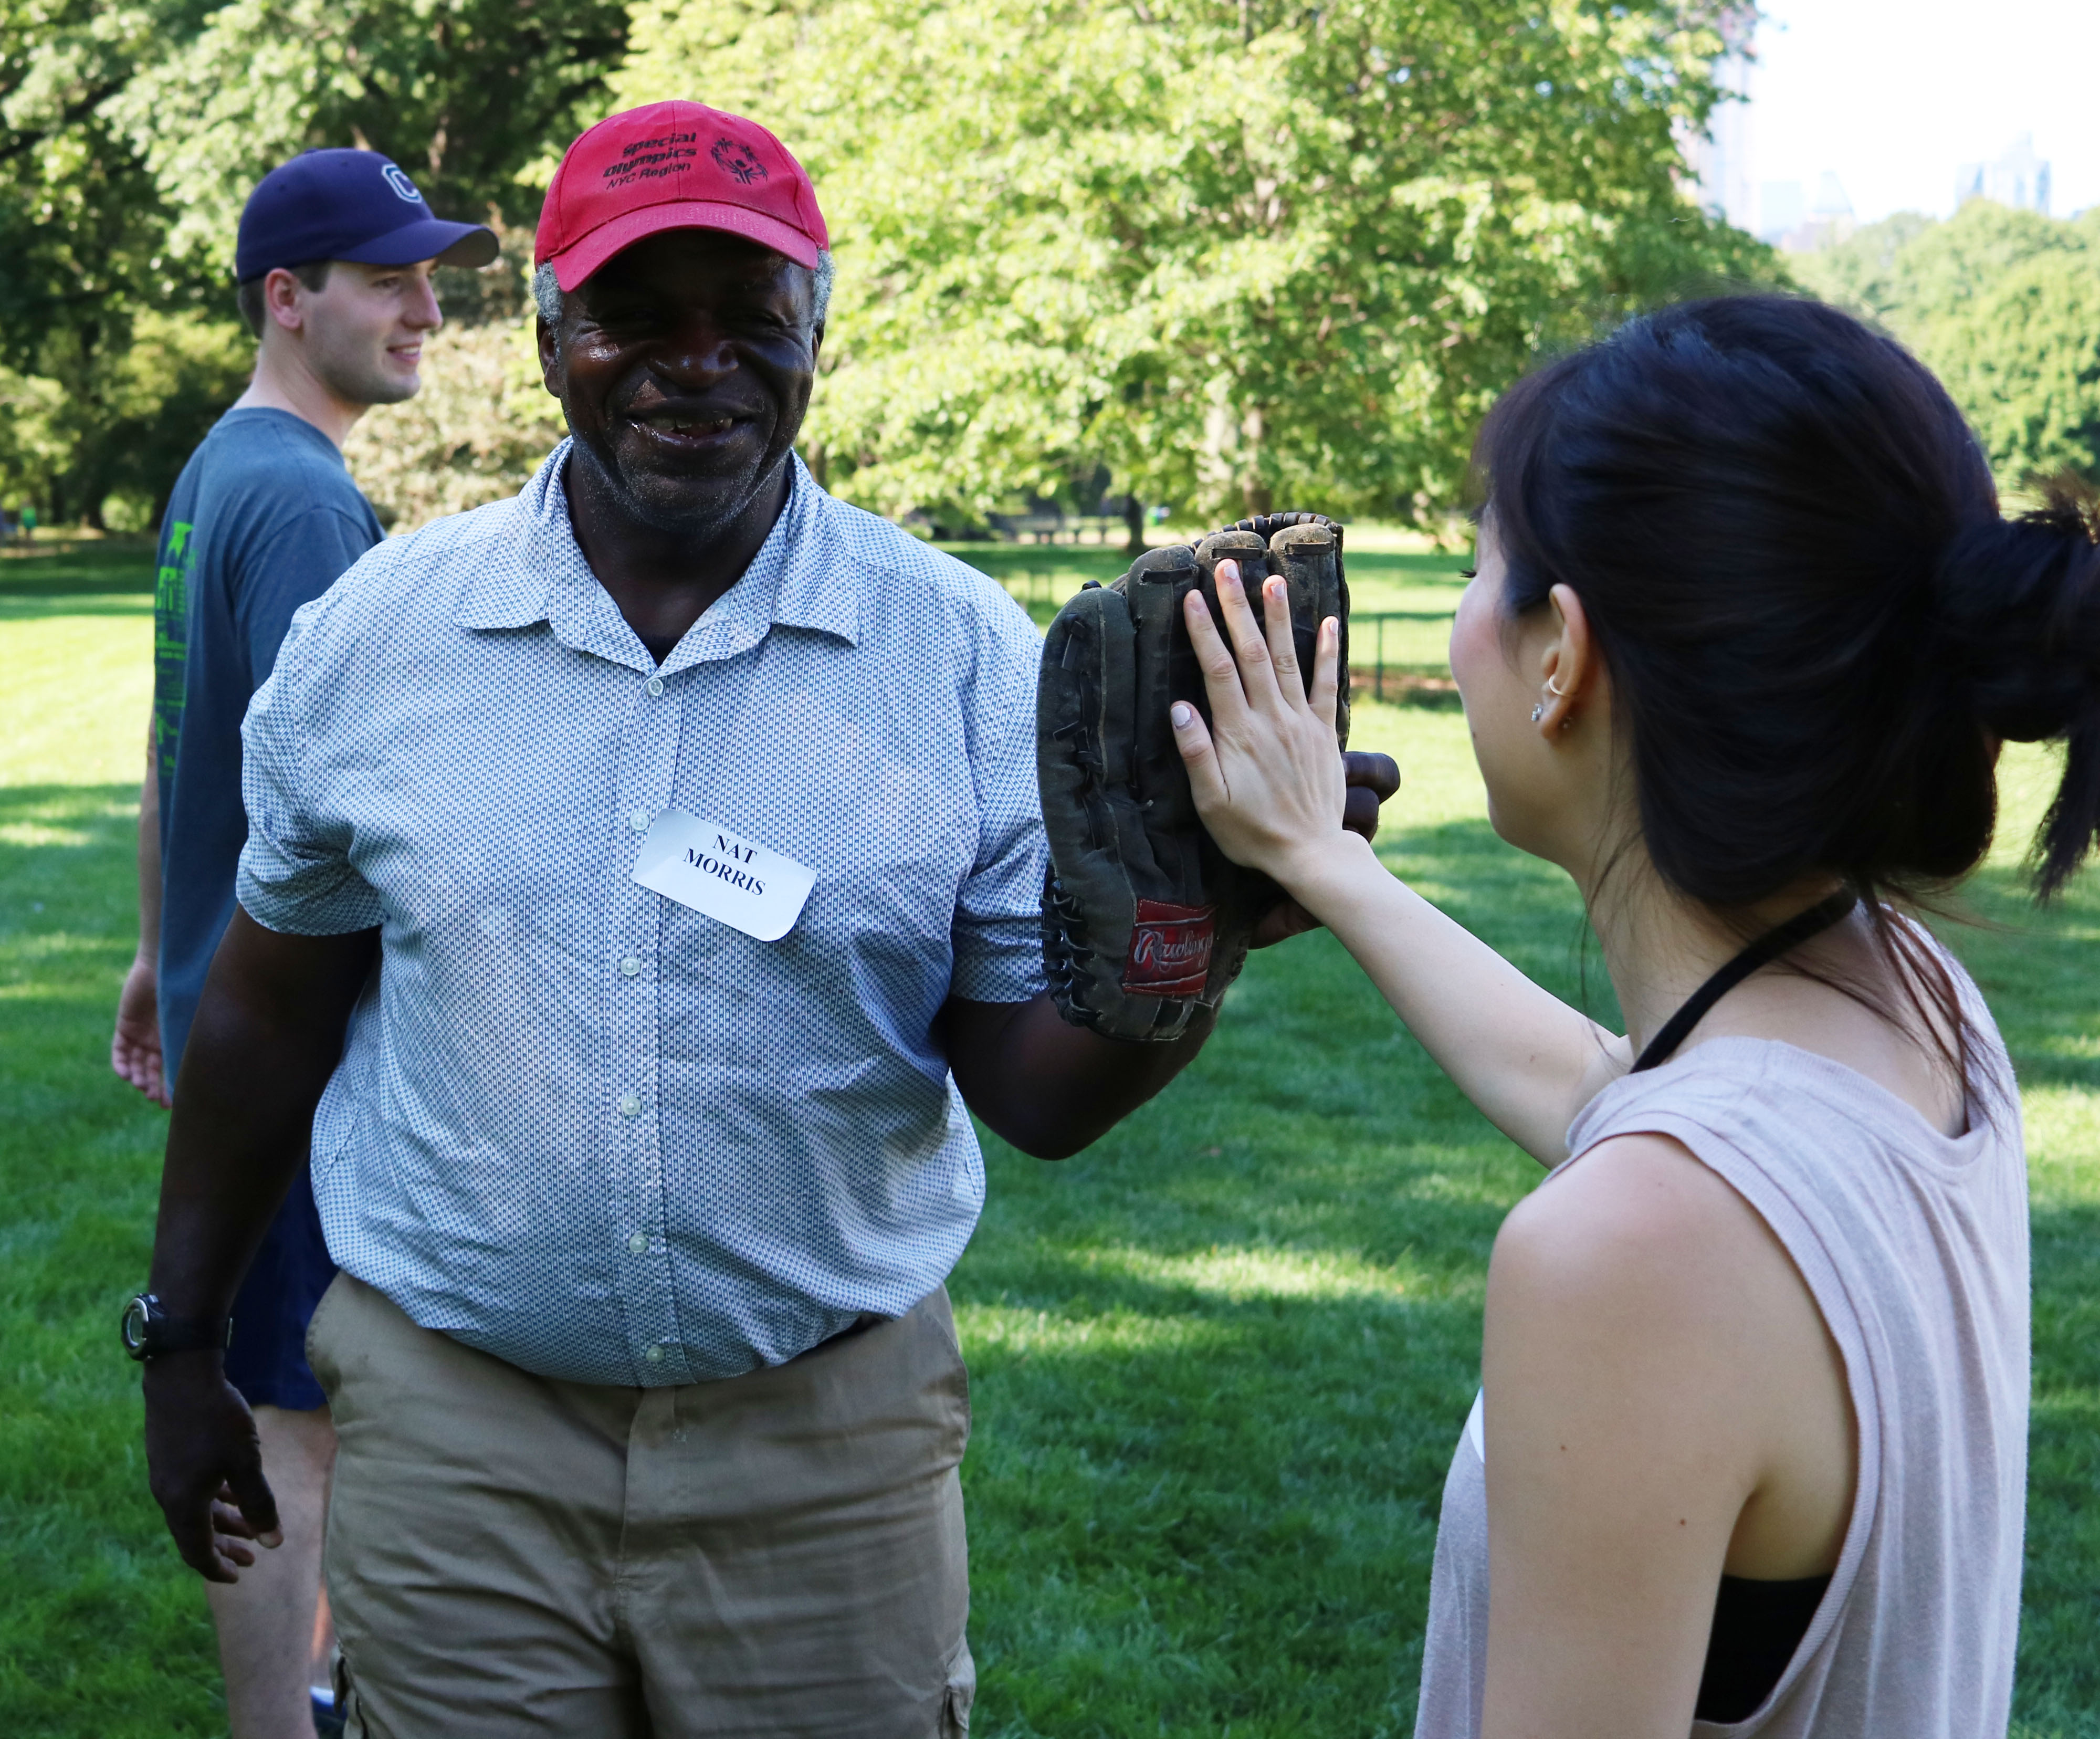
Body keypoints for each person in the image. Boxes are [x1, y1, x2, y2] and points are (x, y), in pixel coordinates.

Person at [128, 100, 1392, 1737]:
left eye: (749, 316)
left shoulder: (957, 657)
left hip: (827, 1452)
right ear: (550, 339)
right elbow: (267, 1005)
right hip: (457, 1439)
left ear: (819, 335)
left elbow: (1036, 1097)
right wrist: (185, 1341)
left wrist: (1194, 935)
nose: (696, 363)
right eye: (635, 318)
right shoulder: (382, 638)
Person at [1173, 295, 2096, 1736]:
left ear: (1564, 653)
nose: (1466, 611)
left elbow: (1655, 1192)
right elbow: (1623, 1094)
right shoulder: (1915, 1009)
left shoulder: (1632, 1257)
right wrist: (1322, 864)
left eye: (1479, 565)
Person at [112, 149, 495, 1738]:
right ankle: (288, 1721)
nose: (426, 313)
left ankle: (318, 1702)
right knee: (295, 1414)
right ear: (289, 298)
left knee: (296, 1391)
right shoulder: (303, 501)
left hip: (232, 998)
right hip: (299, 1045)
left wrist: (160, 950)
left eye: (429, 282)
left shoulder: (223, 467)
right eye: (389, 282)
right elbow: (352, 798)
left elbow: (176, 746)